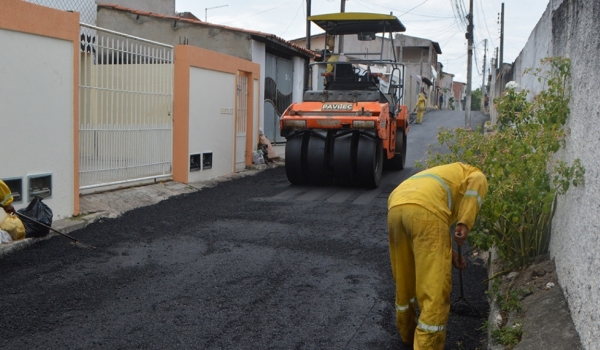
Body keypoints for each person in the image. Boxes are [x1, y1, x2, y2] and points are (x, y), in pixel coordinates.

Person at [387, 162, 488, 349]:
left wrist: (449, 255)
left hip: (396, 206)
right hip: (425, 212)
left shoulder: (444, 174)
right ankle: (427, 345)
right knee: (434, 288)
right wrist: (465, 223)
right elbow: (478, 181)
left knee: (405, 278)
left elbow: (432, 231)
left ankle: (407, 335)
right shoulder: (474, 173)